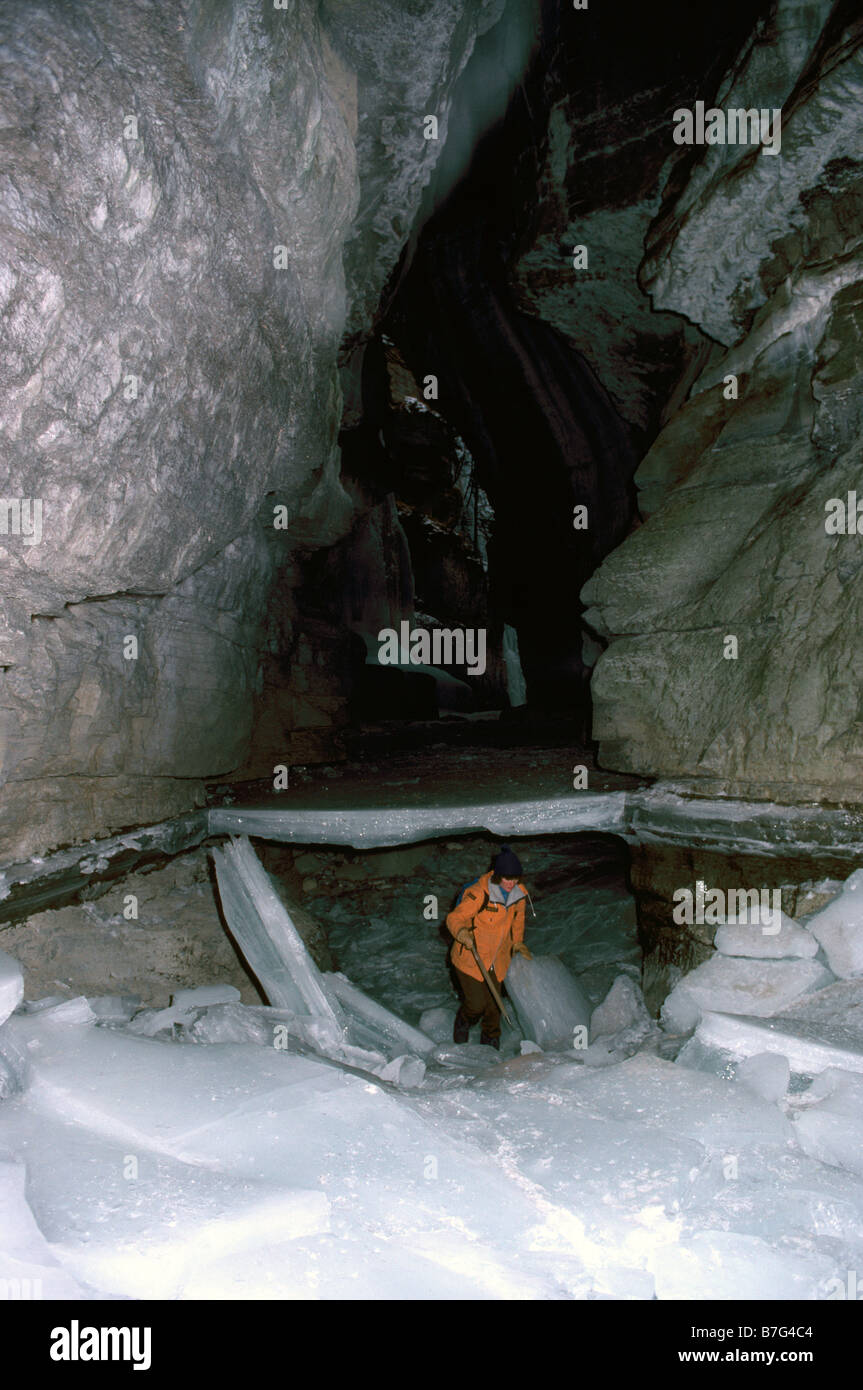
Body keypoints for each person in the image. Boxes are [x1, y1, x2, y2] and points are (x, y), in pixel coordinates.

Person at [446, 845, 533, 1049]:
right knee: (476, 1005)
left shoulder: (519, 892)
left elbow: (518, 919)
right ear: (497, 875)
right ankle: (464, 1020)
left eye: (515, 879)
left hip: (498, 958)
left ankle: (490, 1038)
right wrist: (461, 933)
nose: (511, 883)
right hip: (470, 957)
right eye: (507, 879)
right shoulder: (478, 893)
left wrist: (518, 942)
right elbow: (455, 918)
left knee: (494, 1006)